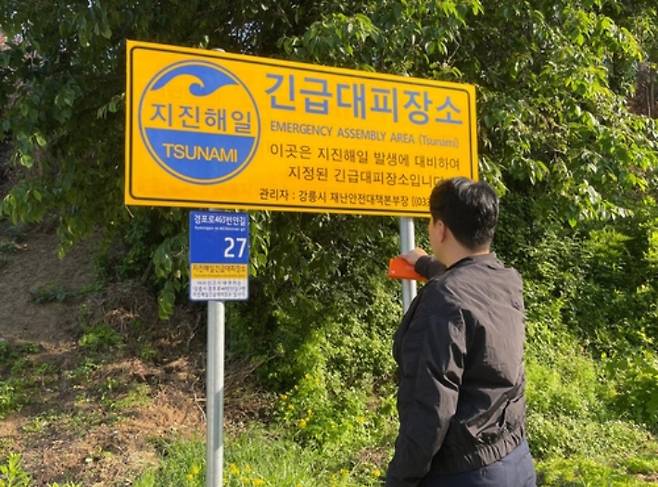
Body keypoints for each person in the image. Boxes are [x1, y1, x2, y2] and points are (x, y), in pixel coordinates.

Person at [386, 177, 536, 487]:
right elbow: (469, 281)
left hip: (463, 474)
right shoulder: (507, 280)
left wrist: (400, 480)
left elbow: (430, 410)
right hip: (514, 460)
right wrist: (426, 263)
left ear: (440, 228)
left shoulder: (442, 301)